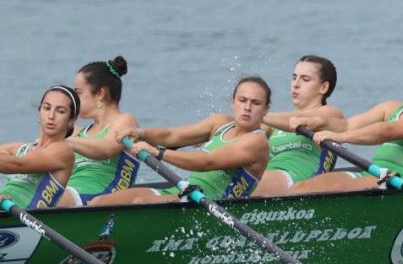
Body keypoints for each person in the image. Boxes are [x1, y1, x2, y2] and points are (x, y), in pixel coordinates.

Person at [287, 49, 403, 194]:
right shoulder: (390, 107)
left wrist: (340, 137)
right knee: (301, 188)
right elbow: (347, 125)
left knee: (337, 188)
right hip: (374, 176)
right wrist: (314, 121)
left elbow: (387, 132)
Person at [90, 78, 272, 206]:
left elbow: (208, 162)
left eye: (255, 103)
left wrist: (158, 153)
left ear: (265, 109)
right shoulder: (220, 122)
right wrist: (139, 133)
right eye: (242, 100)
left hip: (209, 204)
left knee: (140, 203)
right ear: (233, 102)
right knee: (100, 202)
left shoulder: (257, 142)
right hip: (184, 192)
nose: (247, 107)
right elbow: (171, 135)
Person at [253, 56, 343, 197]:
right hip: (269, 176)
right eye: (294, 78)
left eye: (305, 79)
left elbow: (300, 119)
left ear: (323, 87)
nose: (296, 84)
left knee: (244, 185)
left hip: (299, 180)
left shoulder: (331, 113)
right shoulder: (274, 123)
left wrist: (257, 114)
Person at [57, 56, 139, 207]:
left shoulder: (125, 120)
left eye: (78, 92)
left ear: (100, 94)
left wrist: (62, 141)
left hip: (101, 198)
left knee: (45, 196)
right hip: (72, 194)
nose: (73, 99)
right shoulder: (76, 133)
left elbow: (106, 149)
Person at [0, 86, 79, 211]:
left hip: (25, 217)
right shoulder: (18, 148)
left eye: (60, 111)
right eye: (47, 108)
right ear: (39, 112)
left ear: (72, 119)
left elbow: (17, 164)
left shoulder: (64, 151)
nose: (51, 116)